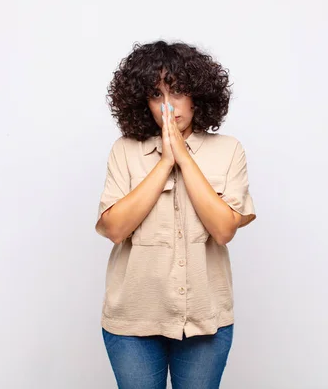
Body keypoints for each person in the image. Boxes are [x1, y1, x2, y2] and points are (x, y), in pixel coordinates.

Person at [95, 40, 256, 389]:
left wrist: (183, 156)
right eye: (157, 94)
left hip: (204, 319)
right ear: (143, 102)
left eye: (179, 91)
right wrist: (165, 160)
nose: (169, 105)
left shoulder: (229, 151)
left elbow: (224, 230)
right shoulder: (125, 152)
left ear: (198, 94)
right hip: (133, 321)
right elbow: (115, 229)